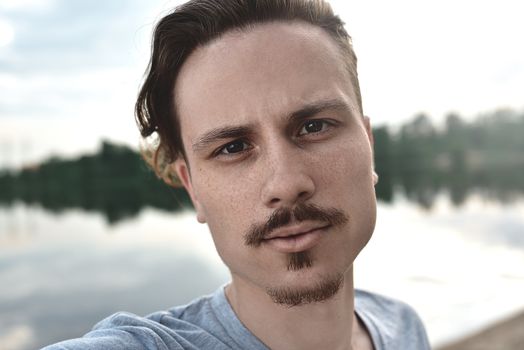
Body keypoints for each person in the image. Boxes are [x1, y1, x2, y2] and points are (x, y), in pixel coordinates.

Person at [43, 0, 430, 349]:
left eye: (314, 127)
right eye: (232, 148)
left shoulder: (403, 328)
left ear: (368, 144)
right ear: (192, 187)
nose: (287, 184)